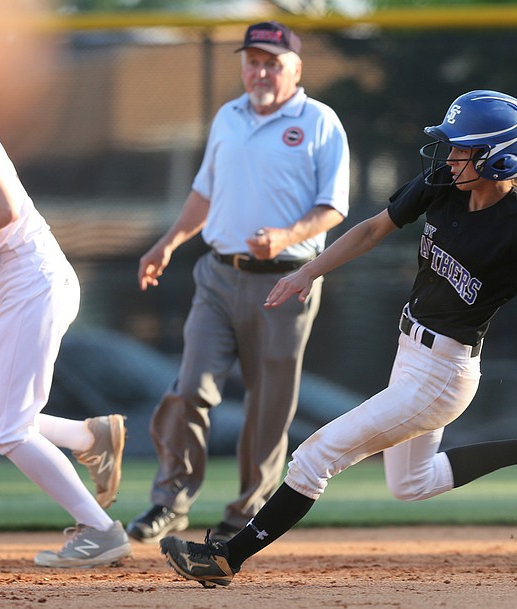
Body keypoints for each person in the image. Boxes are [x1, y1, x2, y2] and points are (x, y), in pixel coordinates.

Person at [157, 89, 517, 588]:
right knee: (411, 483)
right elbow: (373, 229)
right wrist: (309, 270)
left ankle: (226, 557)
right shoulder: (444, 184)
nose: (451, 155)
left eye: (464, 149)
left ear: (500, 159)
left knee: (314, 456)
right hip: (411, 353)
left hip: (443, 374)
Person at [126, 21, 349, 544]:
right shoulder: (229, 116)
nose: (260, 71)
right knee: (189, 389)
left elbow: (333, 207)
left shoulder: (318, 121)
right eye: (252, 60)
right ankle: (169, 500)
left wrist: (287, 235)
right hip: (218, 275)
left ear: (296, 69)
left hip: (287, 282)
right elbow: (204, 194)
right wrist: (168, 243)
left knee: (269, 405)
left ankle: (243, 513)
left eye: (273, 62)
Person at [0, 40, 131, 567]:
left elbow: (5, 208)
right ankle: (87, 436)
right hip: (10, 285)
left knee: (12, 426)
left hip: (33, 275)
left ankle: (101, 530)